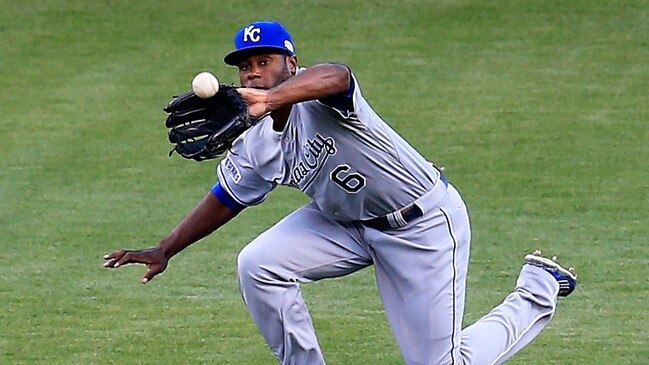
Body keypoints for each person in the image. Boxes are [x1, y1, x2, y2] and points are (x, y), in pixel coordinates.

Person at [103, 20, 577, 365]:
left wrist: (272, 98)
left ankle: (537, 288)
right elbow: (227, 197)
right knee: (258, 264)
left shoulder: (324, 96)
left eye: (265, 62)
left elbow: (339, 73)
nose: (253, 73)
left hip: (421, 224)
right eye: (246, 66)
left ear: (291, 62)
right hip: (342, 224)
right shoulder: (253, 139)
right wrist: (165, 248)